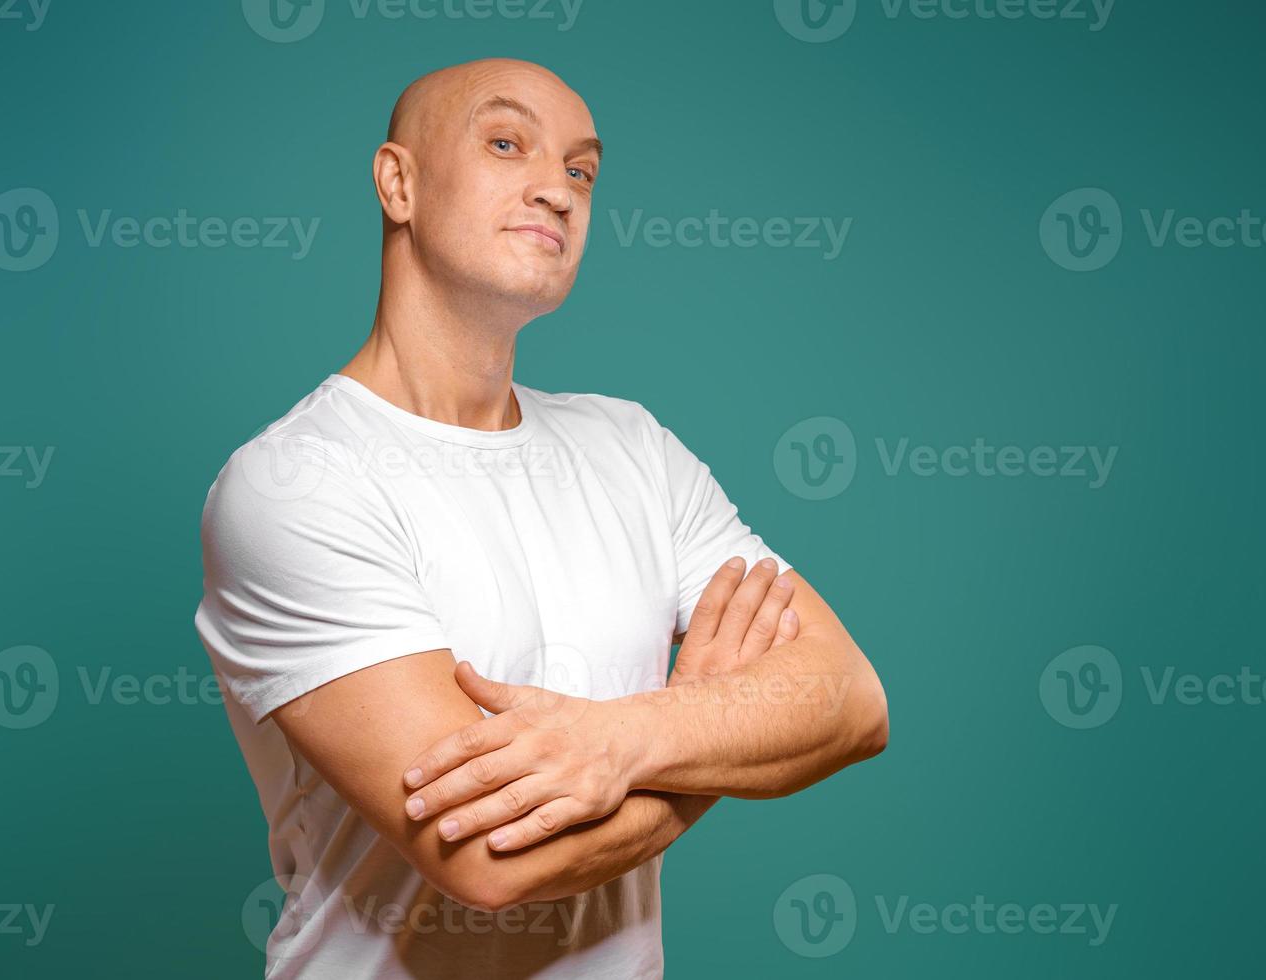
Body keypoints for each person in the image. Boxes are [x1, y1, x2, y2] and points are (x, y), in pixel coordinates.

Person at [194, 57, 887, 979]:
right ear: (398, 182)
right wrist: (709, 725)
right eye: (506, 143)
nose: (556, 191)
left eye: (581, 169)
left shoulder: (633, 447)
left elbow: (848, 698)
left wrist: (630, 736)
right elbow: (490, 860)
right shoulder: (293, 484)